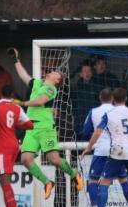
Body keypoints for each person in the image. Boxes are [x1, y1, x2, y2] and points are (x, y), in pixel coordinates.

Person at [10, 47, 84, 199]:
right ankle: (47, 182)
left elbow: (40, 101)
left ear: (57, 80)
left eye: (56, 73)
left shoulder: (52, 89)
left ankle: (74, 173)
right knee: (25, 159)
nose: (52, 71)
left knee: (53, 159)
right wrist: (16, 60)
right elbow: (24, 76)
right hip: (31, 127)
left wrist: (23, 104)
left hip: (45, 128)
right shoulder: (37, 83)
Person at [72, 62, 101, 139]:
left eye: (89, 71)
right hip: (80, 123)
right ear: (80, 74)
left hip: (93, 122)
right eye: (84, 71)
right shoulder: (76, 88)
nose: (87, 73)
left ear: (92, 73)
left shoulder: (97, 87)